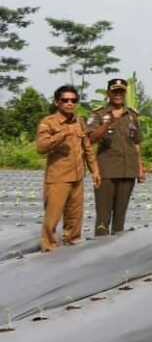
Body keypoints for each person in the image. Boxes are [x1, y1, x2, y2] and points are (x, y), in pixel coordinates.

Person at [35, 85, 100, 251]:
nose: (70, 103)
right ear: (57, 102)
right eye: (65, 100)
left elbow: (87, 148)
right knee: (53, 216)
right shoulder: (48, 122)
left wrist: (95, 170)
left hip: (78, 177)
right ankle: (49, 246)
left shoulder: (80, 122)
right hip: (58, 177)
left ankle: (73, 243)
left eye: (73, 100)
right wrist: (62, 133)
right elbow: (41, 147)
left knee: (75, 216)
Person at [87, 76, 145, 236]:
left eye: (121, 92)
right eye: (115, 92)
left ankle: (115, 249)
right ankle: (99, 249)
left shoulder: (132, 115)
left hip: (128, 170)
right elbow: (90, 139)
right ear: (108, 93)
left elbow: (136, 142)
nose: (118, 95)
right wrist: (108, 123)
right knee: (103, 217)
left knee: (120, 216)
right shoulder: (99, 114)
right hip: (107, 171)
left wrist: (140, 168)